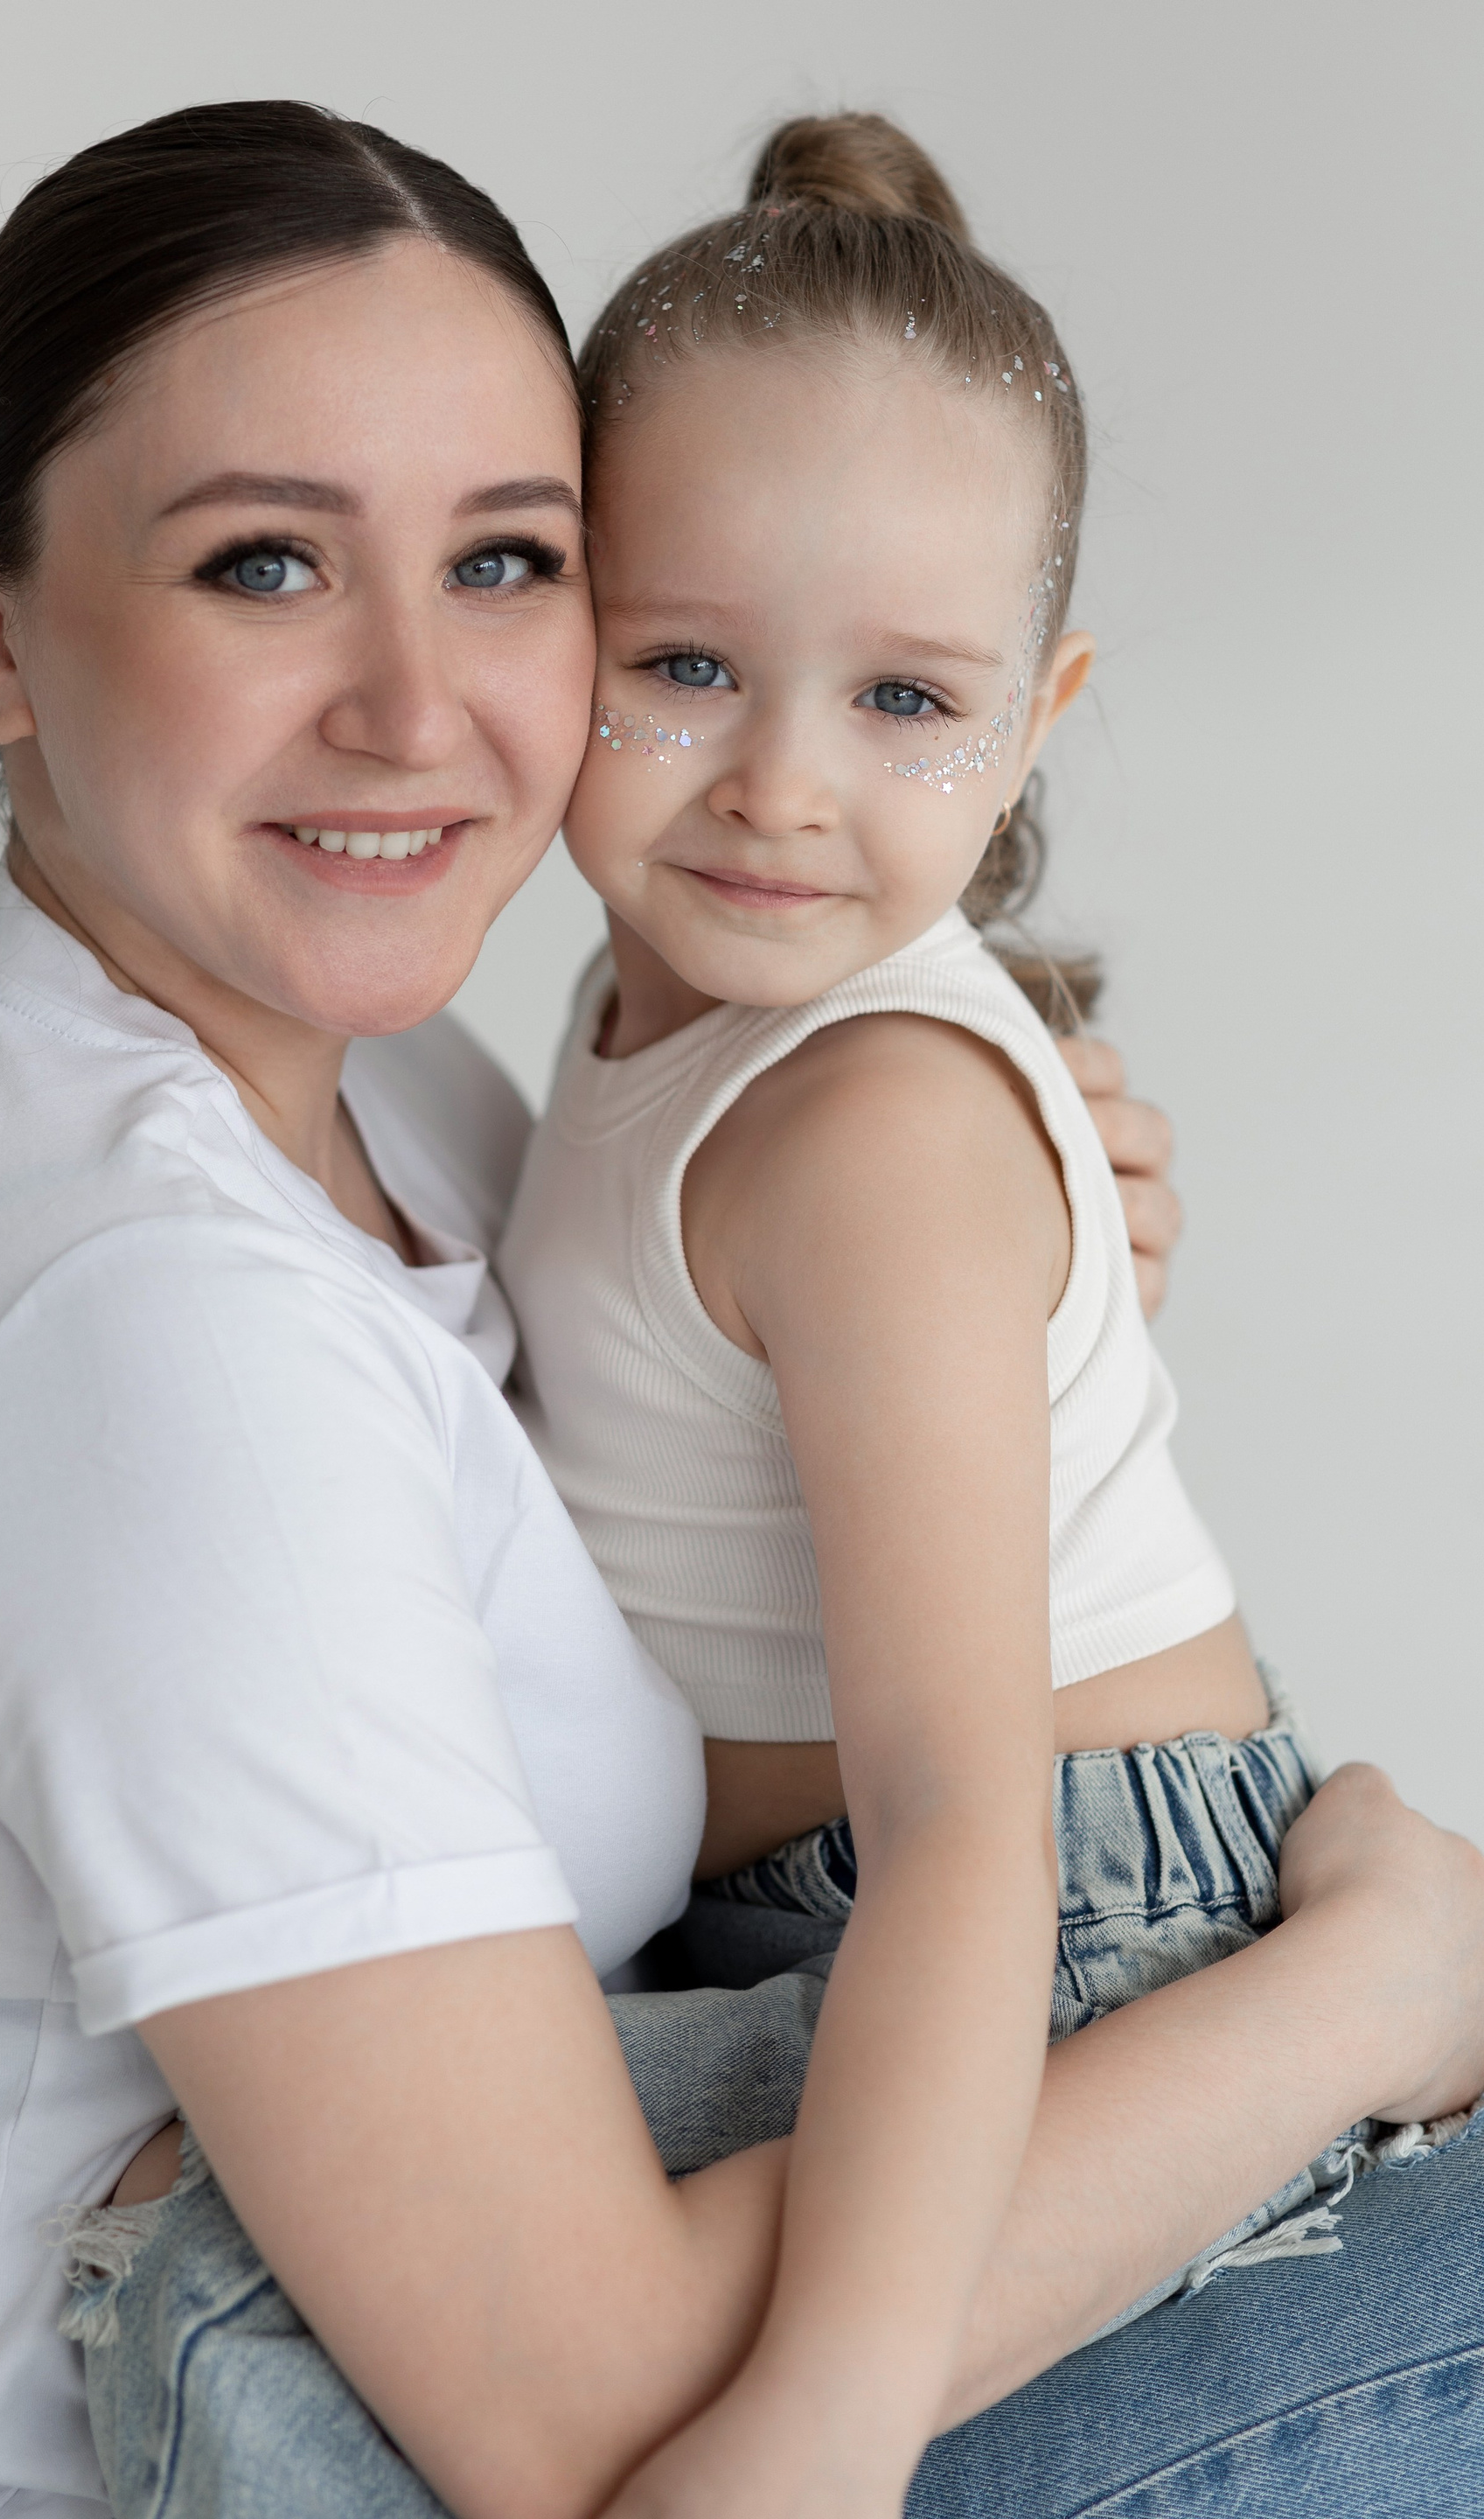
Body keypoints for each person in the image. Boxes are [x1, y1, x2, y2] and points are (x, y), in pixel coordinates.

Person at [0, 99, 1478, 2519]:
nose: (414, 709)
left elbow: (660, 1429)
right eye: (263, 564)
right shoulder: (141, 1322)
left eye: (503, 560)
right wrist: (1368, 1998)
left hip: (937, 1976)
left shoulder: (374, 1071)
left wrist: (967, 1270)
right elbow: (578, 2420)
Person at [491, 111, 1313, 2514]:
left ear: (1036, 718)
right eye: (684, 666)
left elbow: (962, 1826)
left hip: (1051, 1915)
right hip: (842, 1915)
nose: (779, 786)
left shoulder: (867, 1129)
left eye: (907, 702)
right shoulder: (656, 1012)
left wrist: (829, 2425)